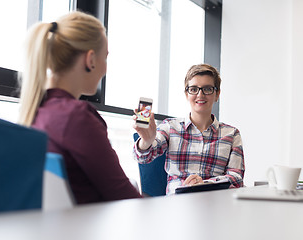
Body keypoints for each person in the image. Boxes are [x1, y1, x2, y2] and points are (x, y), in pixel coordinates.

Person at [18, 11, 142, 204]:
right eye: (105, 57)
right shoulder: (76, 116)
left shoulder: (37, 111)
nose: (105, 67)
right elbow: (125, 197)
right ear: (90, 59)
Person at [133, 64, 245, 195]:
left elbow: (236, 178)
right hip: (177, 206)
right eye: (193, 89)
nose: (200, 94)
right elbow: (143, 158)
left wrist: (205, 184)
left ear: (217, 94)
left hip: (215, 204)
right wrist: (146, 141)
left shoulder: (232, 134)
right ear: (187, 94)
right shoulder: (170, 127)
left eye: (207, 89)